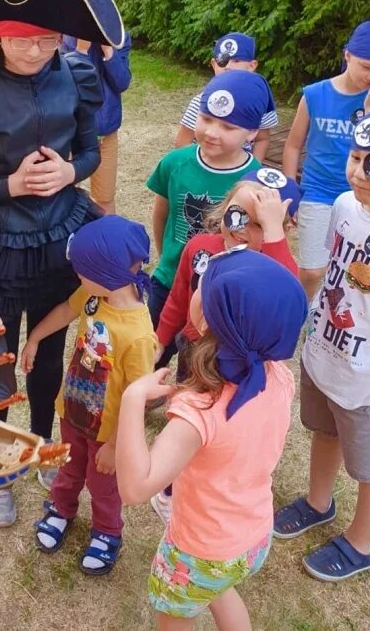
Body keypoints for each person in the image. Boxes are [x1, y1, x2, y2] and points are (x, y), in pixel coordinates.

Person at [0, 0, 125, 527]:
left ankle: (40, 444)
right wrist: (7, 185)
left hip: (60, 236)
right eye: (21, 39)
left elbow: (88, 149)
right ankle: (1, 466)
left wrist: (70, 173)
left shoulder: (77, 74)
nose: (35, 50)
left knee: (51, 351)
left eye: (47, 39)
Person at [116, 248, 308, 631]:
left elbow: (135, 489)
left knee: (176, 615)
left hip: (198, 551)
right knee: (221, 589)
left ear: (208, 317)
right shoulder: (278, 375)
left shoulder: (198, 413)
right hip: (251, 538)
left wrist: (132, 400)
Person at [274, 103, 370, 582]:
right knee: (322, 434)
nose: (360, 171)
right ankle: (318, 502)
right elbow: (332, 272)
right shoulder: (345, 206)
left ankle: (362, 541)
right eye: (355, 156)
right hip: (324, 351)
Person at [149, 167, 301, 523]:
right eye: (237, 214)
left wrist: (274, 235)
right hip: (193, 348)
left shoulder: (270, 264)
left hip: (242, 365)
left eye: (260, 223)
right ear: (223, 207)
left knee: (223, 429)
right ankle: (171, 489)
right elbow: (177, 296)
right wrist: (159, 340)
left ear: (283, 228)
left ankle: (208, 479)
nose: (243, 230)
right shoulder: (200, 248)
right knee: (186, 412)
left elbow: (290, 288)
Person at [20, 215, 156, 574]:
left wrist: (114, 444)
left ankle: (107, 531)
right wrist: (34, 338)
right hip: (73, 410)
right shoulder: (94, 296)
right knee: (67, 469)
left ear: (107, 273)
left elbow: (137, 395)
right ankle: (61, 509)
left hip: (106, 429)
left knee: (103, 485)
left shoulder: (139, 335)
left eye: (82, 271)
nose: (77, 277)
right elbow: (67, 310)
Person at [147, 69, 275, 367]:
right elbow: (161, 212)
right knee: (152, 349)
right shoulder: (175, 162)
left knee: (200, 364)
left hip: (221, 292)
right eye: (206, 119)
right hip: (168, 280)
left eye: (228, 126)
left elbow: (260, 242)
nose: (211, 132)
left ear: (252, 133)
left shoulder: (256, 180)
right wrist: (166, 256)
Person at [282, 20, 370, 300]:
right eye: (364, 66)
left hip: (366, 193)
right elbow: (292, 145)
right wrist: (290, 189)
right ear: (347, 55)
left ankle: (329, 313)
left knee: (353, 266)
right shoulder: (315, 94)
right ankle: (300, 308)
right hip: (319, 190)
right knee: (312, 270)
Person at [60, 0, 132, 214]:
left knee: (104, 197)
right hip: (68, 130)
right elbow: (62, 83)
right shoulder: (62, 35)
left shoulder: (119, 37)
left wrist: (109, 52)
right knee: (64, 194)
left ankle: (104, 244)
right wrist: (80, 50)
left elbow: (122, 82)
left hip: (104, 132)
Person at [173, 32, 278, 161]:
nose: (228, 66)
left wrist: (252, 171)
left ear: (252, 66)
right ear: (213, 64)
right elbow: (182, 142)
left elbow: (262, 139)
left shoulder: (259, 104)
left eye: (236, 60)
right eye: (222, 60)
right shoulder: (201, 102)